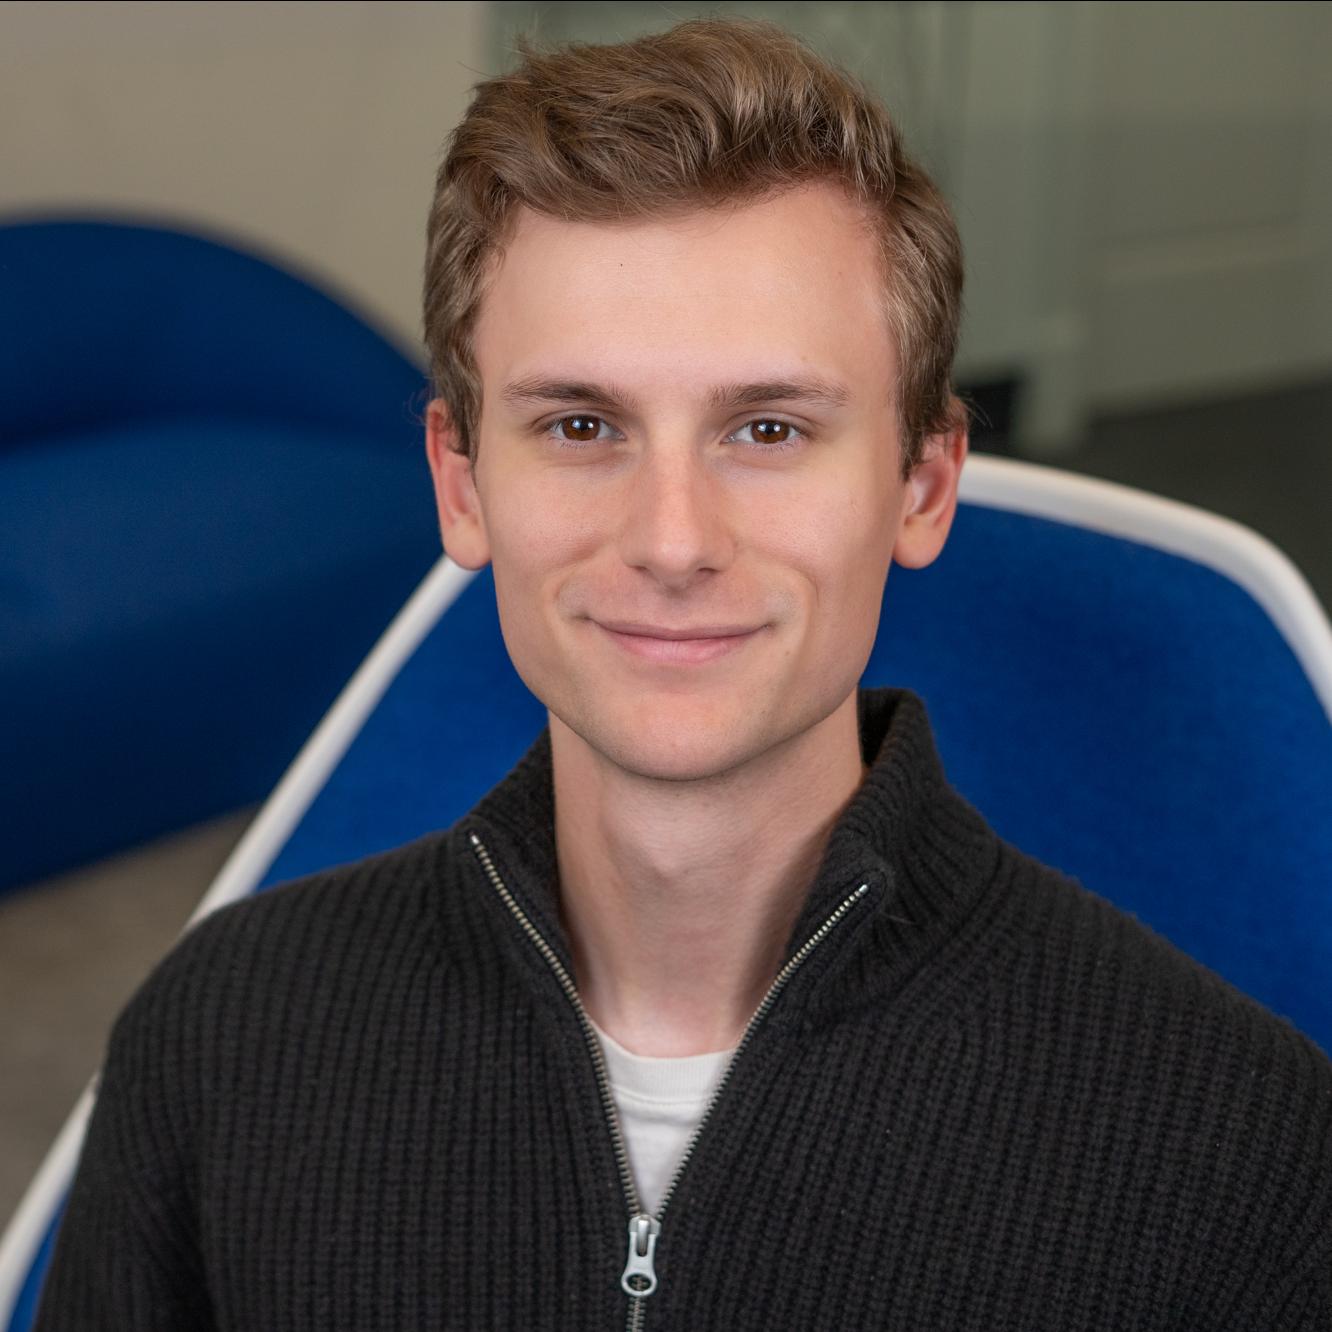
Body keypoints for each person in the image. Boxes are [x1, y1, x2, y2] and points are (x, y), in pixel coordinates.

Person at [36, 16, 1332, 1331]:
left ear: (922, 484)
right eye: (581, 425)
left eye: (767, 428)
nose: (671, 540)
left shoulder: (1245, 1153)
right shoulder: (220, 1036)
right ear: (460, 482)